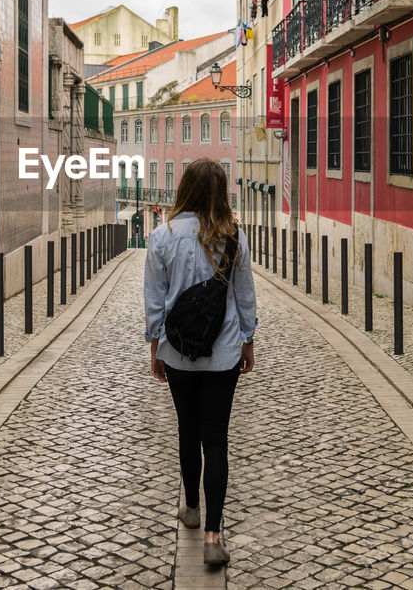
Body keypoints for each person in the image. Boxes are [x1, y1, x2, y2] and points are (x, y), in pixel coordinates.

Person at [144, 159, 257, 568]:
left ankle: (191, 508)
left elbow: (154, 301)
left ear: (184, 189)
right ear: (220, 192)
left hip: (176, 352)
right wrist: (247, 342)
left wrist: (154, 347)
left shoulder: (162, 236)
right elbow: (244, 297)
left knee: (187, 433)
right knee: (216, 440)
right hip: (223, 353)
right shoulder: (233, 238)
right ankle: (213, 537)